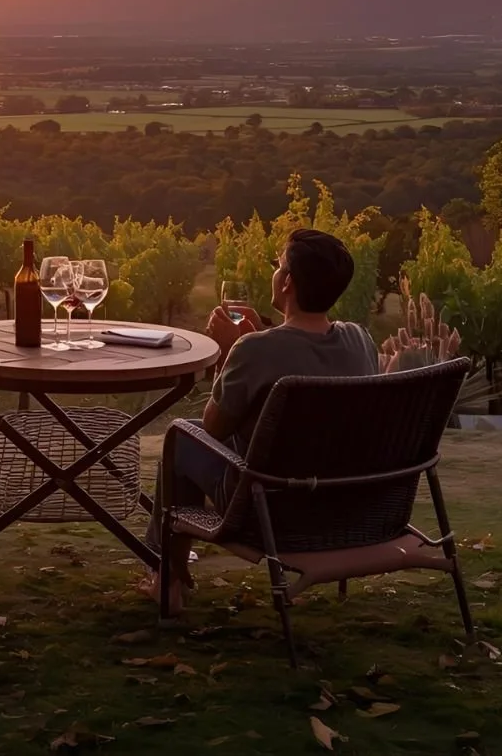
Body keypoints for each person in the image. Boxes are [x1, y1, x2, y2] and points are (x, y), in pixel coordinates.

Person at [143, 229, 379, 614]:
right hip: (344, 506)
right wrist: (258, 339)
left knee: (182, 437)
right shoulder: (360, 339)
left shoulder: (255, 350)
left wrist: (229, 352)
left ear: (287, 282)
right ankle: (168, 576)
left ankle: (167, 578)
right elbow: (302, 355)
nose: (275, 272)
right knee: (189, 436)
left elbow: (215, 427)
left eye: (278, 265)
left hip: (265, 509)